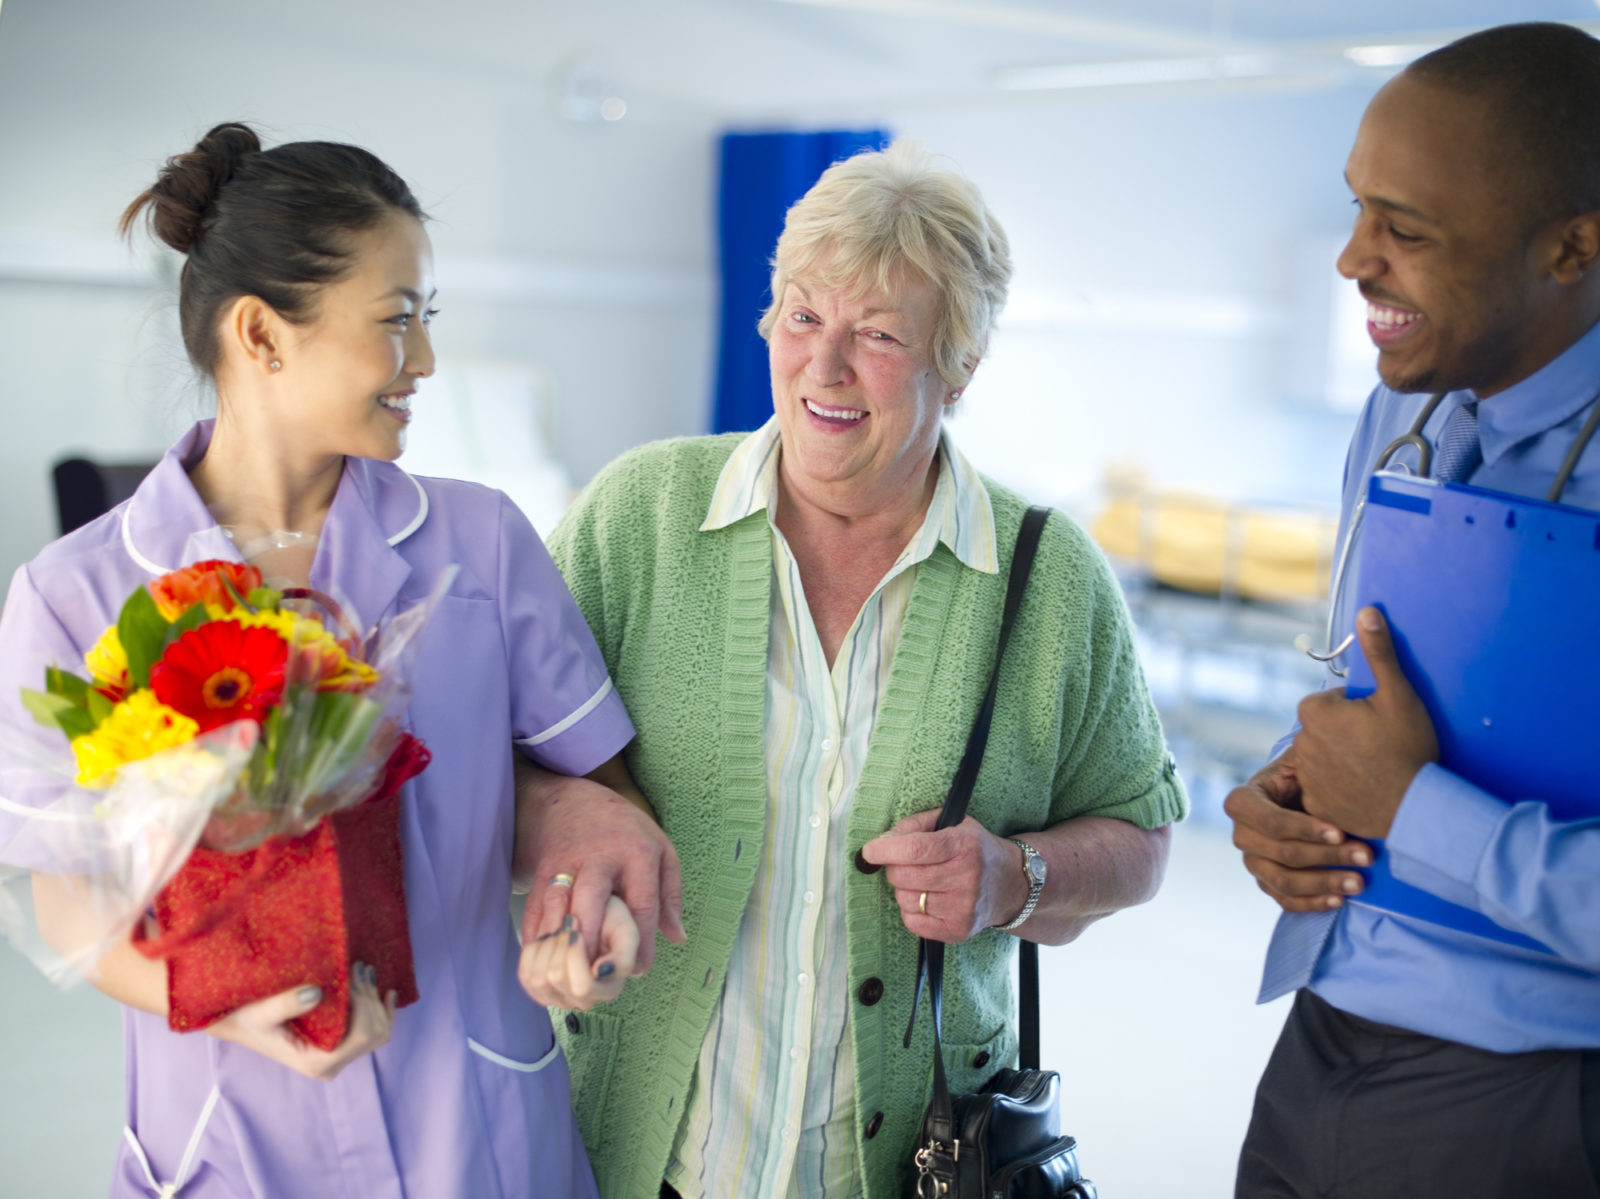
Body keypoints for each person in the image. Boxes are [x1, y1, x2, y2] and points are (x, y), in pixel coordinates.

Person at [0, 122, 678, 1198]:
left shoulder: (482, 544)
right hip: (226, 1137)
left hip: (474, 1122)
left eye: (428, 320)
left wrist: (582, 912)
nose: (425, 361)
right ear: (263, 334)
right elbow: (70, 908)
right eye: (396, 321)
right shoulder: (76, 594)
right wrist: (229, 1002)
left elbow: (599, 800)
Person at [535, 140, 1186, 1199]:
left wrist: (1012, 878)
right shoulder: (636, 517)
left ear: (960, 363)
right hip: (633, 1156)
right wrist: (578, 819)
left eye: (878, 336)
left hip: (904, 1165)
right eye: (802, 316)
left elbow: (1139, 837)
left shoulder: (1044, 573)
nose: (824, 367)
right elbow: (501, 751)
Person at [1225, 23, 1600, 1198]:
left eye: (1405, 227)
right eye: (1355, 209)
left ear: (1571, 248)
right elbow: (1374, 700)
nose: (1350, 259)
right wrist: (1287, 795)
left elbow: (1410, 780)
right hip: (1318, 1035)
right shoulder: (1402, 419)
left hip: (1533, 1090)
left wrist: (1411, 807)